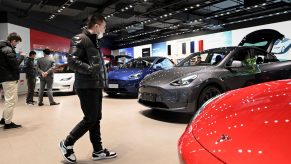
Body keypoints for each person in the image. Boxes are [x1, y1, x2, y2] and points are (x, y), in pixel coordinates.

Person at [58, 13, 117, 163]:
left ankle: (98, 151)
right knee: (90, 118)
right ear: (97, 26)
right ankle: (67, 143)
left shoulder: (94, 41)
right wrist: (91, 70)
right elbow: (72, 61)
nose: (104, 29)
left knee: (96, 118)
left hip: (95, 85)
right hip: (86, 86)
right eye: (104, 26)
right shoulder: (80, 38)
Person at [0, 32, 26, 129]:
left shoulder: (4, 48)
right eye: (17, 42)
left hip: (6, 78)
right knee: (11, 100)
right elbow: (15, 65)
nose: (16, 44)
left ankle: (4, 118)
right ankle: (8, 123)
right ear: (13, 41)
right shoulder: (8, 49)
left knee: (11, 100)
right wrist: (22, 56)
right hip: (10, 78)